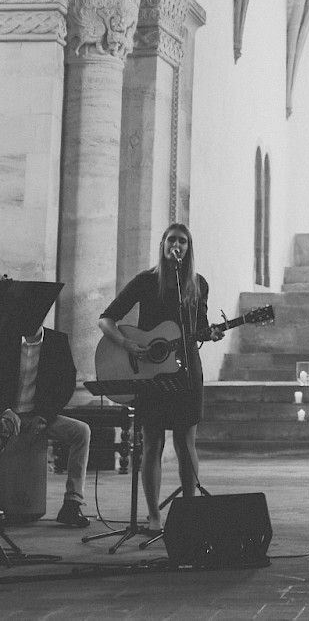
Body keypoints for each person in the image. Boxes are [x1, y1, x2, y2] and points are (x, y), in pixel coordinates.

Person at [99, 222, 221, 535]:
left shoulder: (197, 284)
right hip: (149, 371)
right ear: (163, 244)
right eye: (171, 240)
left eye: (182, 241)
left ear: (188, 248)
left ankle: (190, 513)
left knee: (185, 441)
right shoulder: (145, 281)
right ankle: (154, 517)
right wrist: (127, 344)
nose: (176, 246)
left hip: (187, 370)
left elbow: (202, 327)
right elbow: (106, 319)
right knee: (152, 443)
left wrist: (213, 333)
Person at [0, 310, 91, 527]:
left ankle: (71, 504)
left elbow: (66, 384)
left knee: (82, 431)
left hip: (39, 415)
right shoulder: (5, 338)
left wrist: (44, 416)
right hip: (7, 413)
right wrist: (4, 410)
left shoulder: (57, 341)